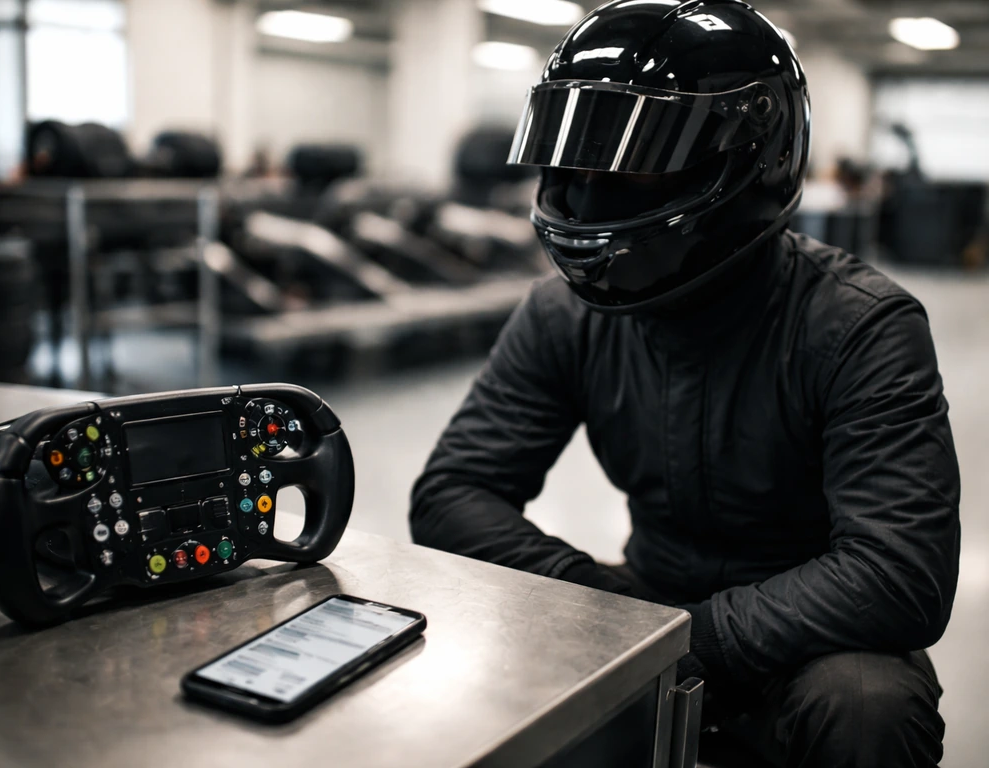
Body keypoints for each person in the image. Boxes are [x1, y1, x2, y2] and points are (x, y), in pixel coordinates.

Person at [409, 2, 960, 767]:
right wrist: (602, 606)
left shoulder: (863, 325)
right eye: (582, 157)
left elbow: (898, 574)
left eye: (634, 161)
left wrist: (690, 637)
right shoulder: (560, 314)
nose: (593, 193)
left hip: (811, 636)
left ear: (747, 164)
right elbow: (451, 493)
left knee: (867, 707)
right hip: (645, 598)